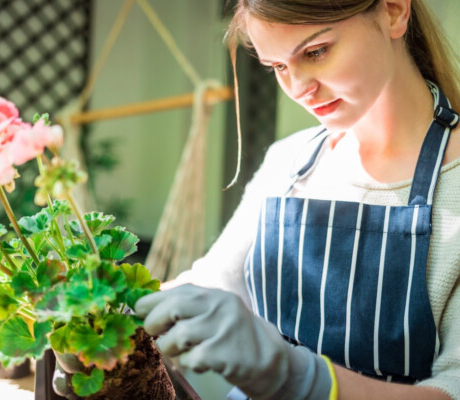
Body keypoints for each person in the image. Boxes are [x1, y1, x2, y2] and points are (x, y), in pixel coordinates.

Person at [135, 0, 460, 399]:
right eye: (278, 67)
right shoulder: (288, 161)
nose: (299, 88)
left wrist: (301, 379)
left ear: (393, 11)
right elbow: (212, 286)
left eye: (316, 52)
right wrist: (104, 306)